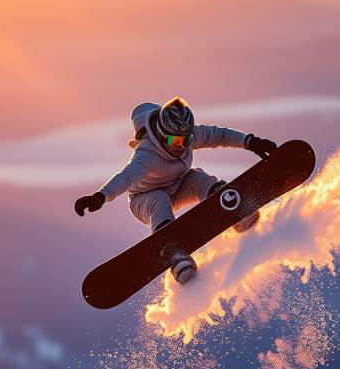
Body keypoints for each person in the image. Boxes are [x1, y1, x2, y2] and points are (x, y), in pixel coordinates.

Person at [74, 97, 276, 284]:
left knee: (199, 178)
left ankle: (233, 210)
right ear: (161, 135)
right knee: (159, 198)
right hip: (144, 199)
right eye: (174, 141)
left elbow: (221, 135)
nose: (180, 146)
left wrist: (252, 142)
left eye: (185, 140)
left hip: (179, 186)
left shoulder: (191, 135)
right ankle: (173, 253)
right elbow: (125, 178)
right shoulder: (147, 154)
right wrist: (100, 197)